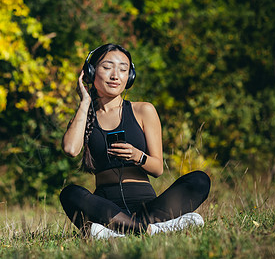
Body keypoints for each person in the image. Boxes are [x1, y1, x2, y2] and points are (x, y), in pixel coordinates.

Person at [59, 43, 210, 238]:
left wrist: (138, 156)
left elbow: (158, 169)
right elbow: (70, 149)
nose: (115, 76)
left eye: (123, 69)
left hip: (148, 207)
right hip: (105, 207)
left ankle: (119, 231)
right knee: (70, 193)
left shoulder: (143, 110)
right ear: (90, 72)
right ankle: (148, 229)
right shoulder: (84, 117)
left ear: (129, 77)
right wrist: (85, 102)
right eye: (107, 67)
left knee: (199, 180)